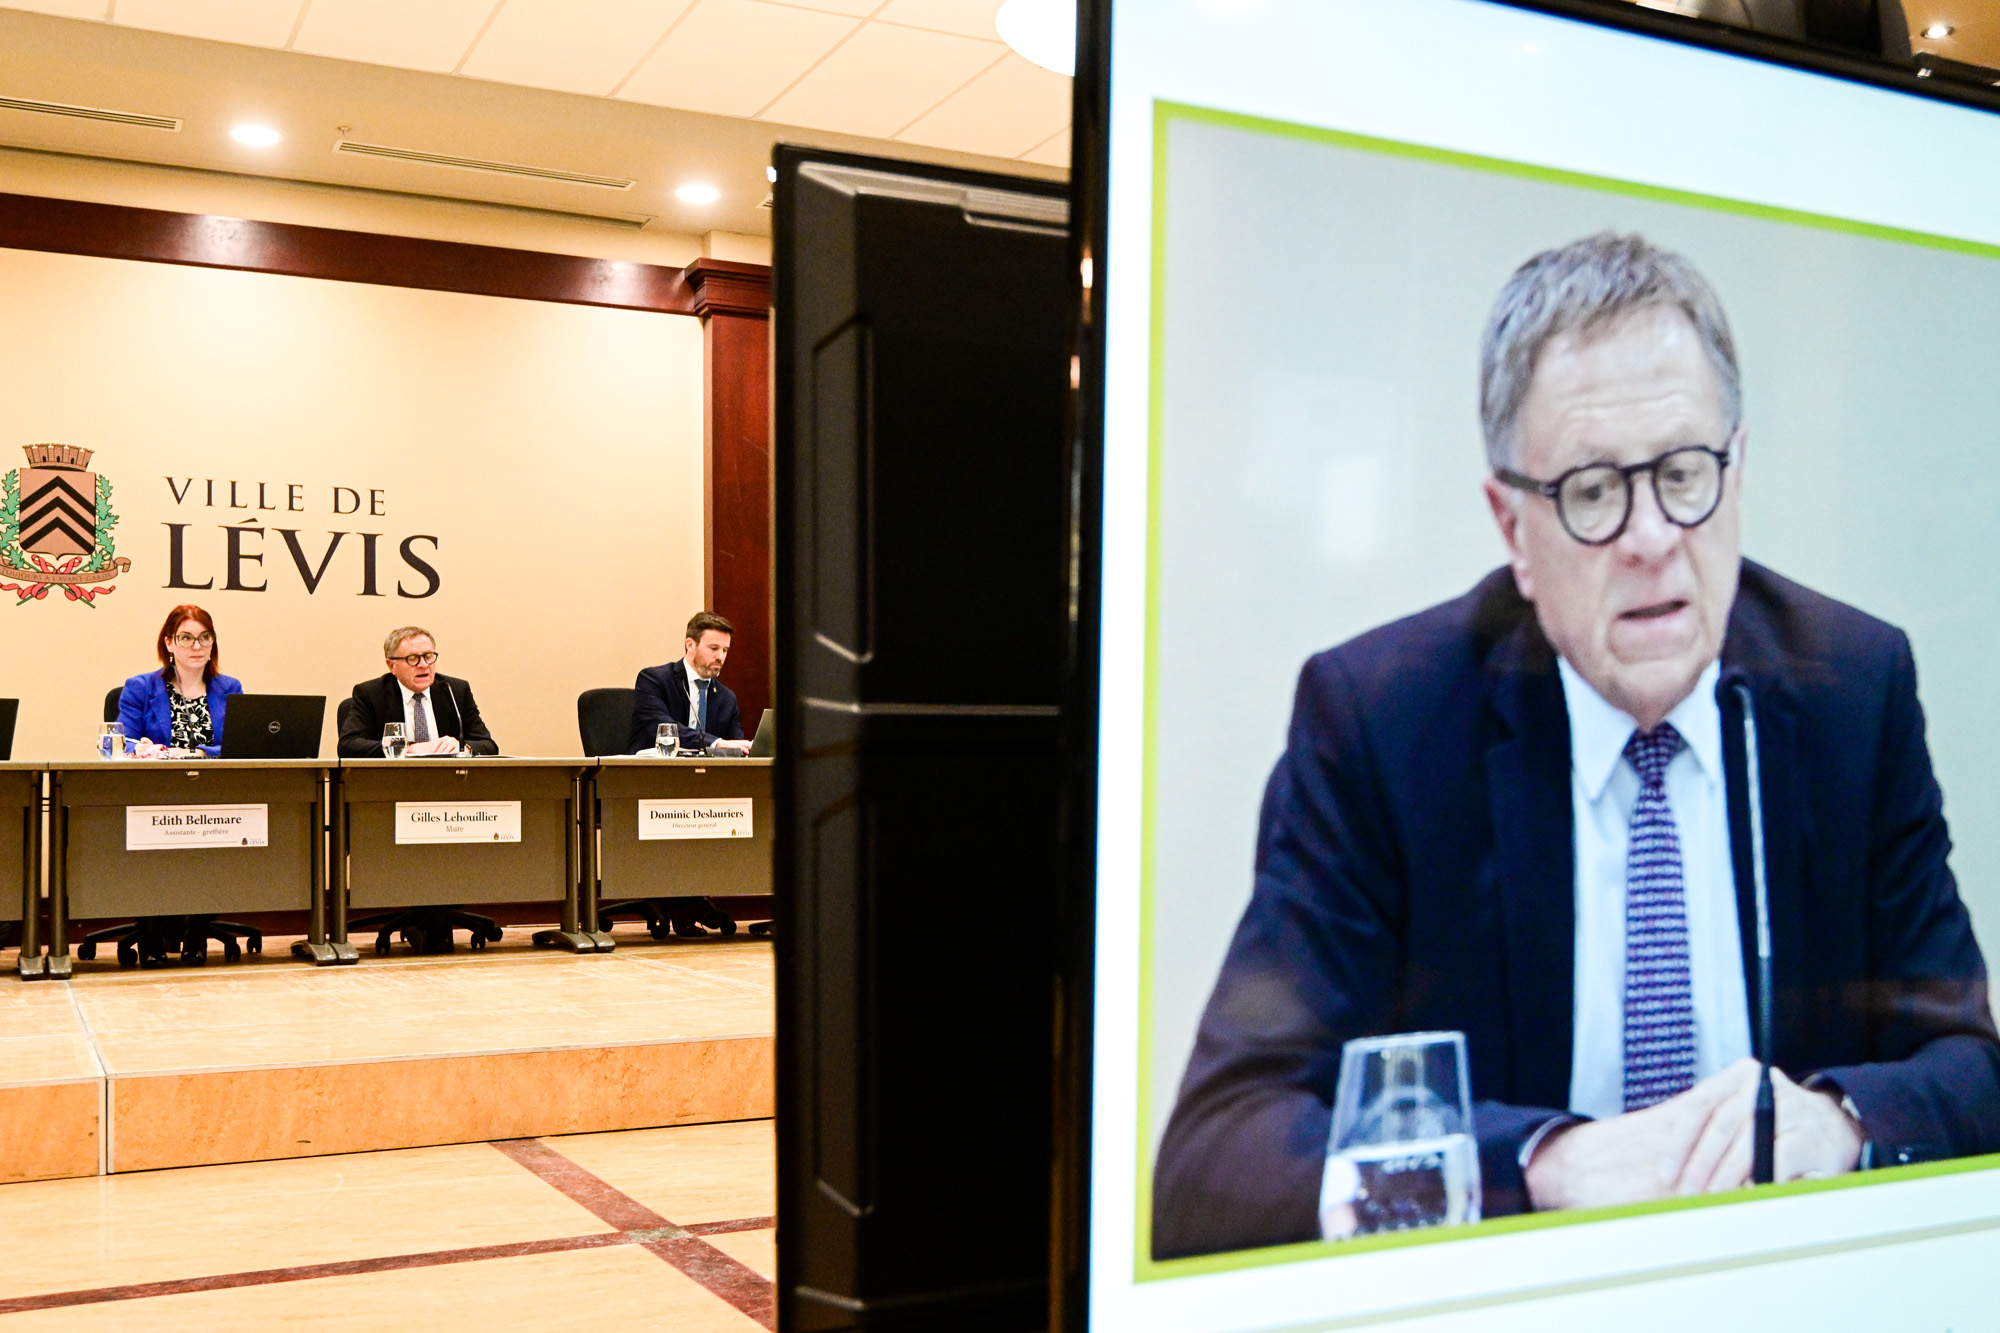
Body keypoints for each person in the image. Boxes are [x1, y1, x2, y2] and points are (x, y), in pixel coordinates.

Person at [1152, 233, 2000, 1259]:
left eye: (1683, 473)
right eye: (1593, 490)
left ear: (1736, 473)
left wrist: (1841, 1124)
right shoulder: (1383, 725)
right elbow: (1216, 1158)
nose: (1651, 536)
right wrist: (1545, 1167)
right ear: (1512, 526)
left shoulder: (1850, 694)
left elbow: (1971, 1071)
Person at [336, 626, 497, 758]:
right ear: (391, 666)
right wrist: (407, 748)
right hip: (392, 780)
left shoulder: (454, 691)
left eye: (428, 656)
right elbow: (348, 745)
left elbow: (488, 745)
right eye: (413, 658)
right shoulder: (371, 694)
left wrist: (464, 747)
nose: (424, 665)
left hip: (448, 780)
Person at [119, 605, 243, 759]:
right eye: (186, 638)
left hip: (215, 774)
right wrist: (142, 749)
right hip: (158, 774)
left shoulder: (230, 688)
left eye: (205, 637)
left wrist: (201, 752)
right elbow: (122, 743)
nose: (197, 646)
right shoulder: (140, 688)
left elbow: (239, 746)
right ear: (169, 643)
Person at [628, 611, 752, 756]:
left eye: (725, 650)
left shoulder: (727, 698)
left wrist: (747, 748)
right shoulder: (654, 680)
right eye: (714, 648)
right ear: (690, 644)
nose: (720, 657)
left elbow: (736, 747)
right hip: (653, 767)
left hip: (707, 770)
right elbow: (665, 731)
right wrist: (717, 743)